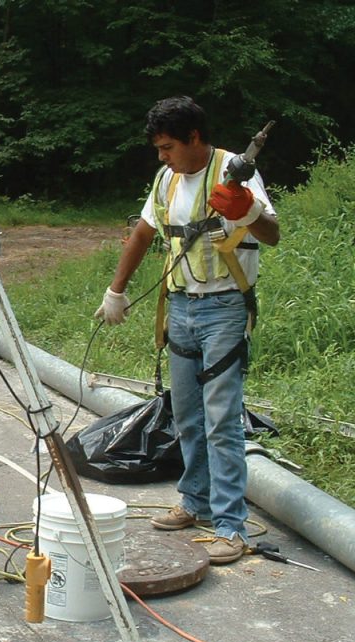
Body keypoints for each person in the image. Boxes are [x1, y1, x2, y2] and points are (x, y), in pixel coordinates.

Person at [94, 96, 280, 565]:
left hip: (224, 308)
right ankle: (194, 502)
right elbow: (142, 231)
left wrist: (245, 210)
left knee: (222, 420)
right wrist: (115, 290)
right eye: (159, 149)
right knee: (187, 415)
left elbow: (273, 233)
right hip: (180, 307)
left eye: (168, 147)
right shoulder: (166, 179)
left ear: (195, 138)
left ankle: (230, 527)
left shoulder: (234, 171)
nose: (163, 157)